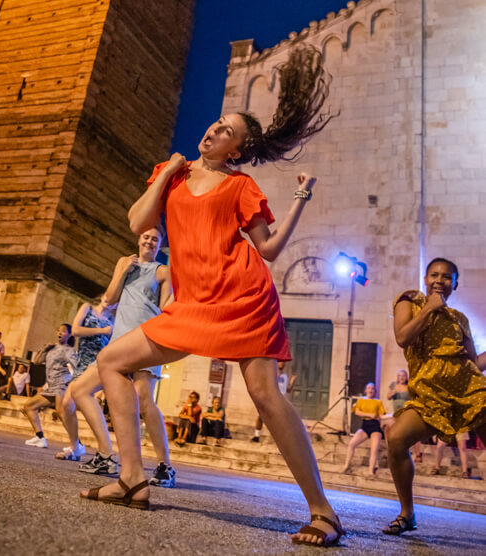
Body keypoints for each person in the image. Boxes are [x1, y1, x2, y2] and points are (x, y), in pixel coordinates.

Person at [80, 45, 344, 547]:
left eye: (227, 130)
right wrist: (166, 173)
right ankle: (133, 478)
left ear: (238, 149)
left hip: (243, 295)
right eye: (216, 123)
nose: (215, 130)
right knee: (114, 362)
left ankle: (323, 511)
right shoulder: (172, 173)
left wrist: (300, 200)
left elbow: (267, 250)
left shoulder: (241, 185)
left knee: (266, 397)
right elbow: (138, 223)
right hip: (191, 303)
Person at [383, 258, 486, 536]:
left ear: (455, 284)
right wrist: (429, 309)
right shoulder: (409, 301)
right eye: (435, 275)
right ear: (425, 279)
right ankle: (407, 514)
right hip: (430, 394)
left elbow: (474, 363)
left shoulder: (460, 319)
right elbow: (403, 337)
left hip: (469, 389)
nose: (440, 280)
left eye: (447, 277)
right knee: (395, 437)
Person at [71, 227, 176, 488]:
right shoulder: (124, 263)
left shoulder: (163, 271)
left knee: (143, 399)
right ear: (139, 240)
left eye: (155, 239)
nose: (149, 241)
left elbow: (166, 308)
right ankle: (107, 456)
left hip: (145, 341)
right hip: (118, 344)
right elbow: (109, 298)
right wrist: (123, 272)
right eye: (146, 237)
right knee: (79, 390)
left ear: (159, 245)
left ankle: (165, 467)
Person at [55, 296, 114, 461]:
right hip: (82, 362)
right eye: (107, 294)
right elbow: (76, 330)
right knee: (66, 406)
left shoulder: (114, 320)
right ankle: (77, 447)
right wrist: (102, 331)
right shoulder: (87, 307)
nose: (109, 298)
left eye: (114, 298)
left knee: (83, 404)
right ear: (102, 296)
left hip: (98, 364)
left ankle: (104, 451)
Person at [22, 324, 77, 448]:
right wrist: (44, 349)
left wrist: (74, 382)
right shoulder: (52, 348)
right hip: (50, 386)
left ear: (70, 335)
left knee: (62, 413)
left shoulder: (68, 350)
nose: (60, 333)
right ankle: (40, 437)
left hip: (61, 384)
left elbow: (76, 366)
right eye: (58, 330)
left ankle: (77, 443)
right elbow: (36, 362)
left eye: (63, 331)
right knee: (29, 406)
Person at [341, 383, 385, 475]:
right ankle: (346, 466)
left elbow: (382, 416)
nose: (371, 390)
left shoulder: (378, 402)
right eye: (369, 388)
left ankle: (370, 470)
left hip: (375, 427)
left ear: (375, 391)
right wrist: (370, 415)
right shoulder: (361, 400)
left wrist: (391, 416)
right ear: (365, 390)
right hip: (365, 426)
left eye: (373, 388)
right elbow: (357, 412)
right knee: (352, 444)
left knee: (374, 449)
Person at [251, 361, 295, 442]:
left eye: (283, 362)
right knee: (261, 417)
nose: (282, 363)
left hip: (280, 401)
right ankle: (256, 436)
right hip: (270, 399)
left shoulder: (285, 376)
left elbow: (288, 390)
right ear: (276, 363)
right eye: (280, 362)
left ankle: (282, 439)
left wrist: (292, 381)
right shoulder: (271, 374)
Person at [387, 369, 422, 462]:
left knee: (412, 432)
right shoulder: (393, 385)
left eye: (403, 375)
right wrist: (392, 392)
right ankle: (394, 452)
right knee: (391, 430)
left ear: (406, 377)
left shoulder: (409, 386)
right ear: (397, 377)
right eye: (399, 375)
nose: (401, 377)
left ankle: (417, 454)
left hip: (407, 413)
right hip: (396, 413)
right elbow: (388, 397)